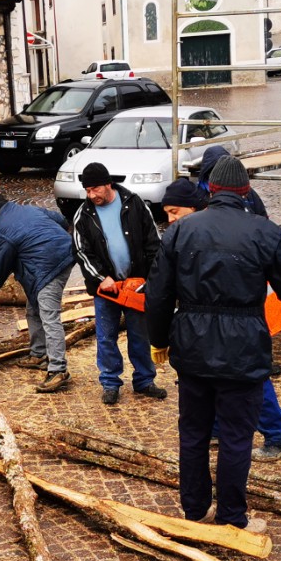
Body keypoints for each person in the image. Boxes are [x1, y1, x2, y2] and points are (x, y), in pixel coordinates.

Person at [146, 156, 281, 527]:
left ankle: (193, 509)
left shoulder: (180, 230)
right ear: (246, 191)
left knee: (193, 433)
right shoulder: (264, 231)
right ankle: (231, 516)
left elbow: (157, 294)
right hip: (244, 347)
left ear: (211, 190)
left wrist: (158, 340)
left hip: (192, 346)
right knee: (237, 437)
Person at [71, 161, 165, 405]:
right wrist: (103, 278)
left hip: (137, 286)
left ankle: (144, 380)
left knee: (140, 335)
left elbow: (153, 243)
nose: (92, 195)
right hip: (106, 290)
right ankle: (110, 382)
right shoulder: (83, 214)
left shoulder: (135, 205)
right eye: (88, 191)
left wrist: (150, 278)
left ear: (108, 184)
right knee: (106, 337)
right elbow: (82, 251)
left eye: (96, 190)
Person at [0, 193, 76, 393]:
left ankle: (58, 370)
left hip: (50, 267)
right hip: (64, 253)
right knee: (33, 308)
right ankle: (38, 354)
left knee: (48, 315)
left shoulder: (2, 232)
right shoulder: (28, 209)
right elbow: (60, 220)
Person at [195, 144, 266, 216]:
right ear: (208, 172)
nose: (222, 173)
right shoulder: (197, 194)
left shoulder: (246, 192)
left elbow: (262, 215)